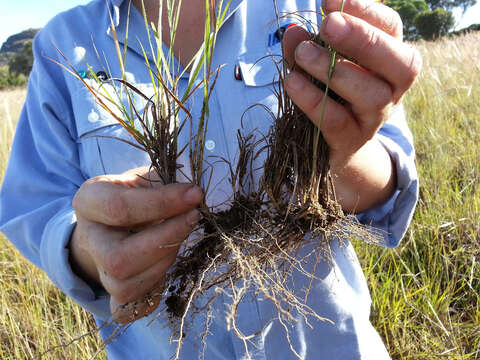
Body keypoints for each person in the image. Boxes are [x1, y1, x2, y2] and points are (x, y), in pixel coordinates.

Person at [0, 0, 420, 358]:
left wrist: (347, 154)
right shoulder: (63, 44)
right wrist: (90, 248)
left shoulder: (311, 9)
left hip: (334, 342)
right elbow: (38, 209)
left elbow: (387, 177)